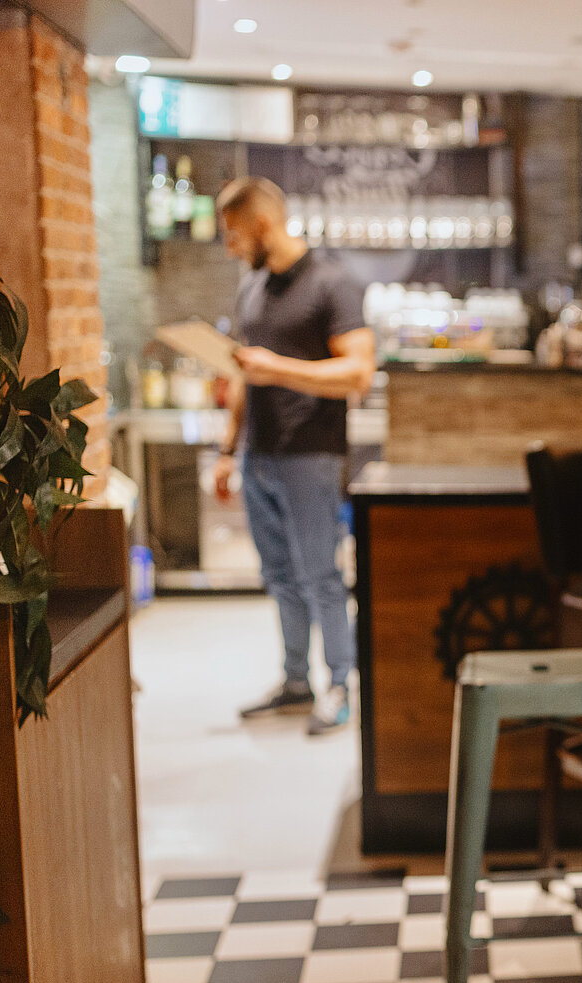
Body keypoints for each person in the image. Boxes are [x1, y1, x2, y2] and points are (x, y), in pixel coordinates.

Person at [213, 176, 375, 734]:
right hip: (259, 454)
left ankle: (340, 684)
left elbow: (359, 371)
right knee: (280, 576)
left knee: (320, 576)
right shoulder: (250, 289)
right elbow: (242, 378)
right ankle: (294, 681)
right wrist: (226, 450)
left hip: (312, 453)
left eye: (233, 235)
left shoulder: (333, 283)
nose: (229, 247)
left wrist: (275, 368)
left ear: (261, 225)